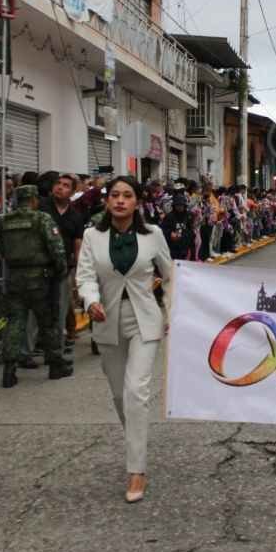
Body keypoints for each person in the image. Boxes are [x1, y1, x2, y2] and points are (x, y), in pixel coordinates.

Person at [77, 176, 173, 504]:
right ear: (107, 201)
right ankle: (136, 438)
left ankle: (137, 470)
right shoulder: (92, 235)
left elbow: (170, 275)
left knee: (136, 392)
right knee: (120, 396)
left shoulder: (153, 235)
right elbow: (85, 275)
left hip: (145, 320)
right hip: (107, 321)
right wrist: (91, 300)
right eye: (115, 195)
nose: (120, 200)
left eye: (127, 195)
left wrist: (171, 311)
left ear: (137, 202)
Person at [0, 184, 73, 388]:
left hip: (14, 278)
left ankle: (9, 369)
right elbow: (56, 248)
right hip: (41, 279)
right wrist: (61, 270)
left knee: (15, 322)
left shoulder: (4, 222)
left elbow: (2, 249)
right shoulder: (42, 219)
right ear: (34, 199)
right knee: (48, 322)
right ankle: (56, 365)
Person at [41, 173, 85, 357]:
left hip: (64, 267)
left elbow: (77, 243)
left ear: (73, 192)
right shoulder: (42, 208)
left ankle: (57, 346)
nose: (60, 187)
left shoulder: (75, 215)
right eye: (58, 183)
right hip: (41, 265)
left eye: (66, 185)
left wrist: (78, 270)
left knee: (61, 306)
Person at [160, 192, 196, 260]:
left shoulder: (189, 216)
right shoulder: (169, 217)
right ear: (174, 205)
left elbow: (191, 233)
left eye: (181, 205)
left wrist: (192, 252)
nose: (179, 207)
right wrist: (170, 234)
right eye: (177, 205)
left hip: (185, 248)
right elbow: (163, 230)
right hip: (172, 249)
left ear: (184, 205)